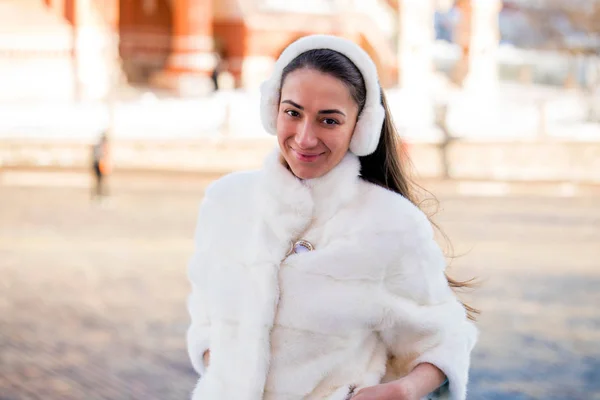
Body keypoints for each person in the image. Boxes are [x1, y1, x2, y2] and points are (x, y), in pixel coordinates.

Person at [186, 35, 478, 400]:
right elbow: (204, 314)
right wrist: (228, 369)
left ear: (361, 126)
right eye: (293, 113)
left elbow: (445, 336)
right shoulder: (226, 202)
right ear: (272, 108)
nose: (305, 138)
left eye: (329, 120)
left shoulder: (391, 225)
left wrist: (403, 390)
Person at [91, 132, 110, 202]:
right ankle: (99, 195)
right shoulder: (100, 147)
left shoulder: (97, 146)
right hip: (99, 165)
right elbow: (99, 157)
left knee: (99, 181)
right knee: (99, 181)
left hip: (98, 164)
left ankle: (99, 195)